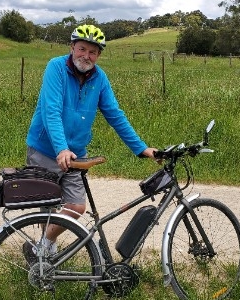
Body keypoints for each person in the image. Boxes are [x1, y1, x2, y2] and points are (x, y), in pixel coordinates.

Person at [24, 24, 157, 262]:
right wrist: (61, 148)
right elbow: (51, 111)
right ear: (72, 47)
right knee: (48, 207)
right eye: (82, 49)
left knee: (76, 207)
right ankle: (44, 259)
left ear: (98, 55)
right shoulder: (56, 67)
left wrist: (141, 148)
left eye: (93, 52)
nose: (86, 56)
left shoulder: (99, 78)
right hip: (44, 150)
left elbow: (115, 114)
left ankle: (42, 246)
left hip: (76, 155)